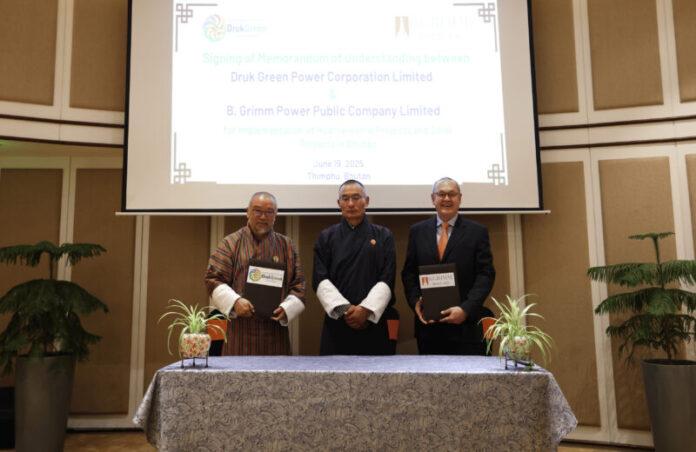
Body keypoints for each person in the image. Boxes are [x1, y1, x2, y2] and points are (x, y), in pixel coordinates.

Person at [401, 177, 495, 355]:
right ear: (433, 198)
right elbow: (409, 273)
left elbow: (486, 274)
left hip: (466, 329)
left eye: (452, 194)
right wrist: (415, 303)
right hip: (429, 329)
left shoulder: (477, 232)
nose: (446, 199)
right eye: (441, 194)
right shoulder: (417, 231)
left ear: (460, 198)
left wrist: (465, 309)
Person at [205, 192, 305, 355]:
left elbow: (299, 285)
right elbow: (213, 279)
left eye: (269, 212)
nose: (263, 217)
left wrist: (287, 308)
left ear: (275, 215)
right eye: (257, 211)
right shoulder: (230, 243)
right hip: (239, 333)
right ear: (247, 212)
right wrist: (235, 301)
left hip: (274, 334)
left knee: (277, 372)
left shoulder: (286, 245)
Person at [313, 180, 397, 355]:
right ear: (339, 203)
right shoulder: (326, 237)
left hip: (374, 320)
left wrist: (365, 310)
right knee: (333, 372)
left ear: (367, 201)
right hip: (338, 321)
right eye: (345, 199)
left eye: (356, 198)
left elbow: (387, 277)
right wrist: (346, 309)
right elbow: (320, 279)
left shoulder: (384, 235)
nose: (351, 204)